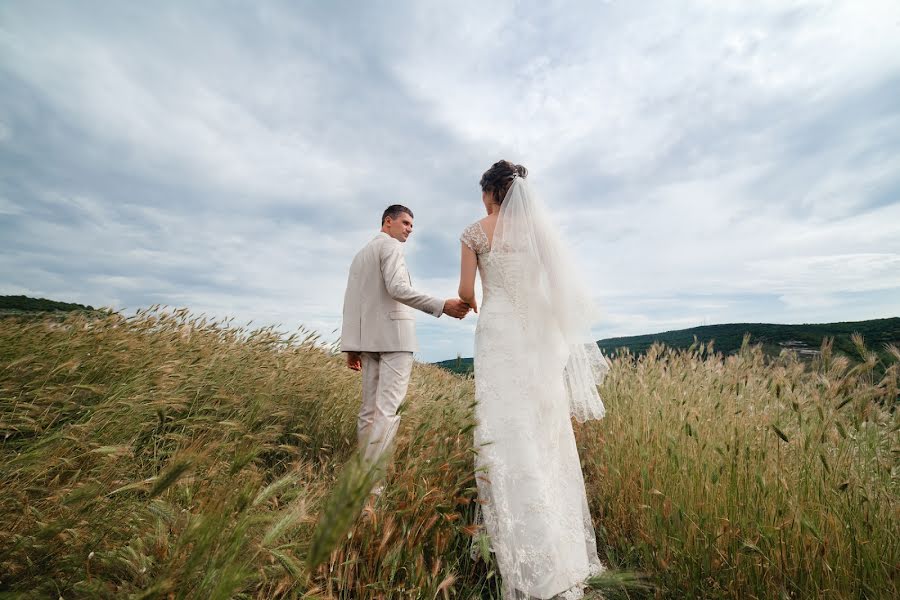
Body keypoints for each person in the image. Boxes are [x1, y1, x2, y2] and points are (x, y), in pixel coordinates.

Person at [458, 161, 610, 599]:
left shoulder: (474, 232)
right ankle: (564, 554)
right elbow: (560, 286)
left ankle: (524, 553)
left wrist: (468, 302)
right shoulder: (539, 233)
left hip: (500, 332)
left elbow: (468, 293)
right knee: (545, 433)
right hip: (537, 338)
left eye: (484, 194)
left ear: (491, 191)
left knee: (504, 432)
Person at [342, 204, 471, 466]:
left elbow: (351, 303)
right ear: (388, 221)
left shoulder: (360, 255)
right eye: (405, 223)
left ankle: (361, 477)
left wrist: (351, 346)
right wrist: (441, 305)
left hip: (368, 341)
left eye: (412, 225)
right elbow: (397, 288)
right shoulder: (390, 247)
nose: (410, 229)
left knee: (369, 412)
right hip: (395, 339)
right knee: (387, 412)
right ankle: (371, 486)